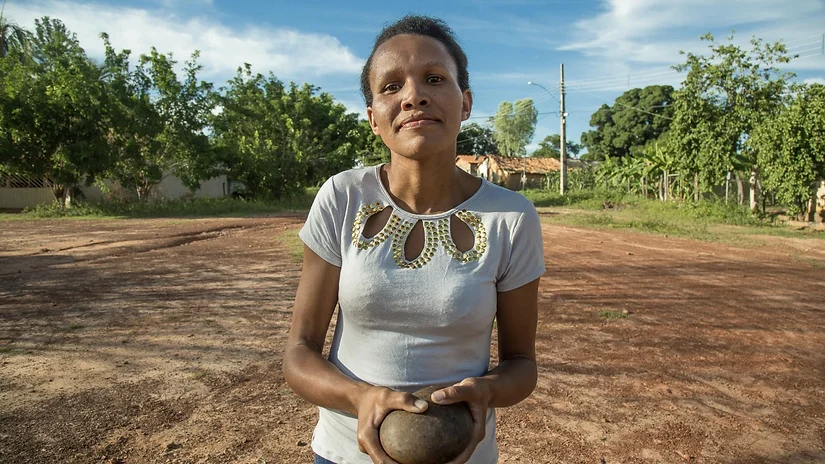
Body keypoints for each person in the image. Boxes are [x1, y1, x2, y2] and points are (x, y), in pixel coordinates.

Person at [283, 14, 546, 464]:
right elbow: (299, 354)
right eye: (390, 87)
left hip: (463, 456)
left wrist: (486, 391)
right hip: (344, 455)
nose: (413, 96)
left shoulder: (511, 218)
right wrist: (360, 398)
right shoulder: (342, 197)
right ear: (373, 119)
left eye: (434, 78)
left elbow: (521, 363)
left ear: (464, 103)